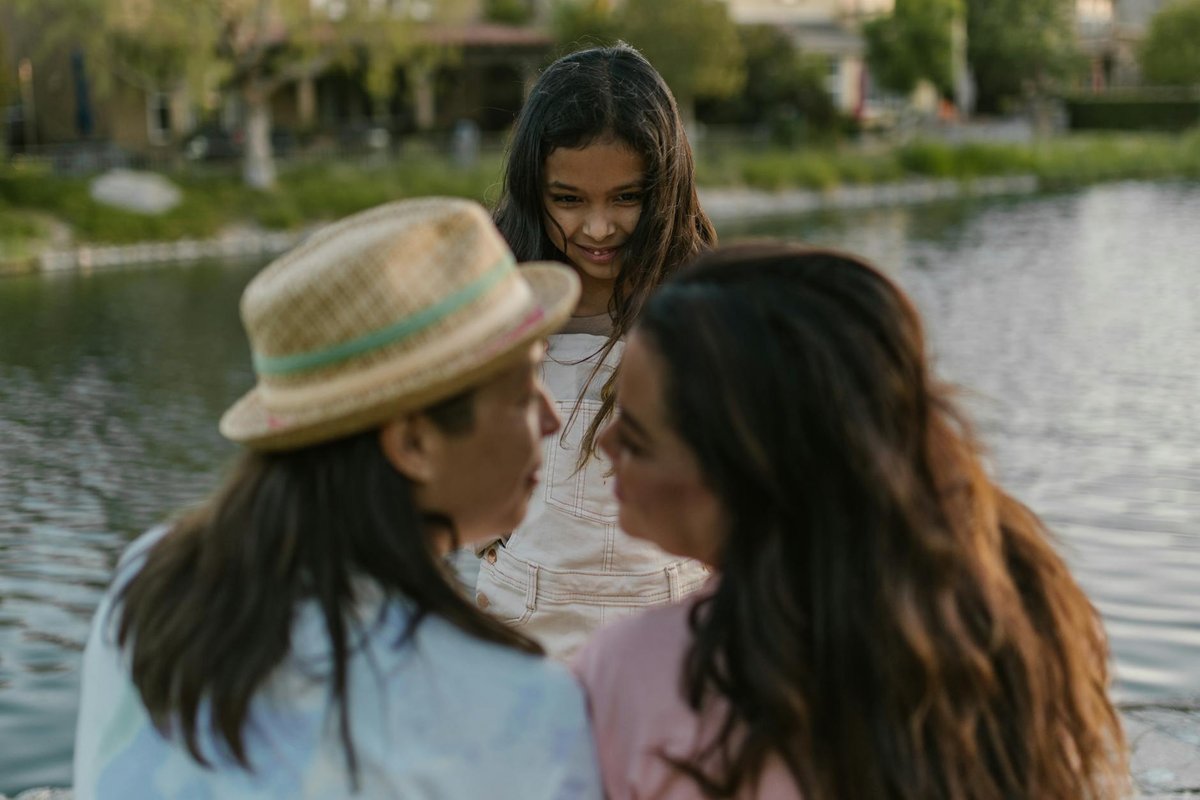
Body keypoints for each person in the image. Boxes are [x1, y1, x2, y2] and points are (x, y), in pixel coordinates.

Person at [73, 198, 603, 799]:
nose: (551, 417)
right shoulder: (513, 703)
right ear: (412, 442)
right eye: (519, 393)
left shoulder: (146, 585)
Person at [573, 243, 1130, 799]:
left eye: (638, 437)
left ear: (745, 474)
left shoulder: (634, 672)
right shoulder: (1027, 614)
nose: (606, 442)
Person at [465, 42, 717, 657]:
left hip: (672, 618)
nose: (598, 228)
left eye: (626, 198)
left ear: (666, 189)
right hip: (526, 622)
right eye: (569, 200)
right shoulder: (497, 300)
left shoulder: (704, 306)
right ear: (534, 189)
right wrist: (489, 542)